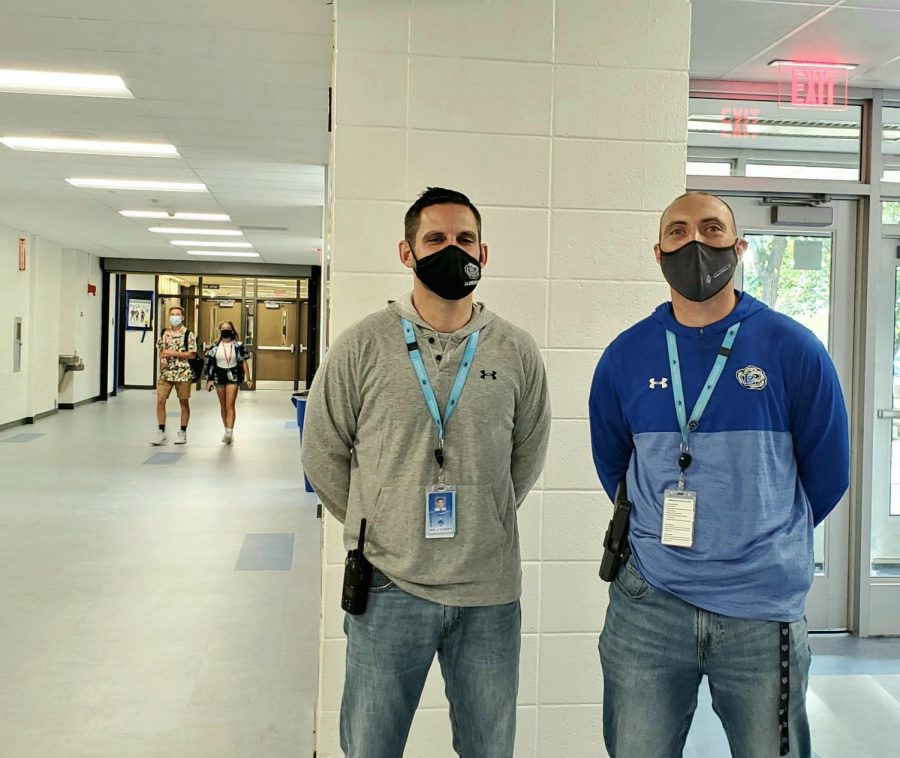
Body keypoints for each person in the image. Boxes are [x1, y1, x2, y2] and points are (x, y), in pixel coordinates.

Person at [588, 192, 850, 758]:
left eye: (711, 229)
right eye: (678, 232)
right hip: (649, 606)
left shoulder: (793, 349)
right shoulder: (624, 356)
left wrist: (759, 536)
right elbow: (615, 465)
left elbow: (828, 474)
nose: (696, 243)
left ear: (740, 248)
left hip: (762, 610)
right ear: (658, 254)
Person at [302, 187, 551, 758]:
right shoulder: (362, 345)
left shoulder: (515, 350)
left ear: (483, 254)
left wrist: (484, 511)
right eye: (435, 239)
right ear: (406, 252)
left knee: (489, 749)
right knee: (371, 746)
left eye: (465, 239)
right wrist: (383, 516)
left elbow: (527, 456)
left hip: (487, 589)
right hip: (389, 583)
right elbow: (323, 452)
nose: (452, 250)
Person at [152, 305, 197, 445]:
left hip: (183, 373)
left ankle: (182, 432)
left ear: (182, 317)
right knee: (160, 400)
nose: (175, 317)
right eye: (172, 314)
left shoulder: (188, 334)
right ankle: (161, 431)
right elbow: (161, 350)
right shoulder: (164, 333)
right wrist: (162, 359)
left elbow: (191, 354)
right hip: (166, 372)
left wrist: (172, 353)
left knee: (183, 402)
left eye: (178, 314)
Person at [205, 320, 253, 444]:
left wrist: (249, 379)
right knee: (223, 405)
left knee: (229, 405)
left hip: (234, 375)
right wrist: (209, 380)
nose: (225, 330)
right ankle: (226, 429)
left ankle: (229, 432)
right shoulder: (214, 346)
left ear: (232, 330)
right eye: (223, 328)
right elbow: (210, 364)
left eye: (228, 328)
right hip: (218, 375)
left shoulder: (238, 345)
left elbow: (243, 362)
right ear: (220, 330)